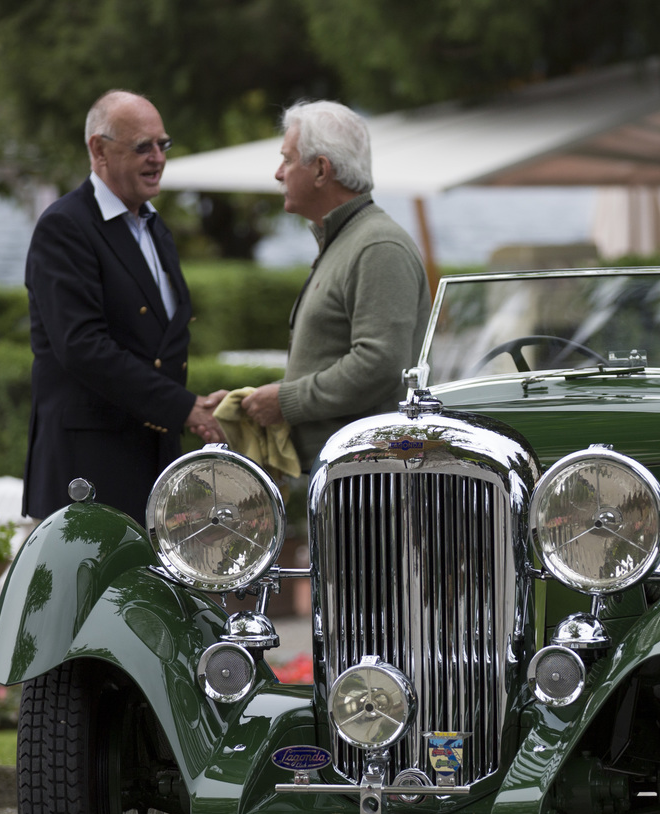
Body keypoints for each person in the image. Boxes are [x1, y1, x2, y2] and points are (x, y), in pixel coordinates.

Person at [22, 89, 225, 524]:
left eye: (163, 144)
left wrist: (206, 408)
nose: (157, 158)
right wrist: (183, 407)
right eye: (142, 147)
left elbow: (163, 345)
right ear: (98, 149)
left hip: (153, 464)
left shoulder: (155, 228)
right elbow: (82, 346)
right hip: (88, 475)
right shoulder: (65, 226)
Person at [237, 101, 430, 467]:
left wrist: (284, 402)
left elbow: (379, 364)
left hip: (367, 482)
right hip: (347, 474)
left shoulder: (377, 246)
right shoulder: (354, 239)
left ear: (322, 170)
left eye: (288, 159)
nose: (279, 173)